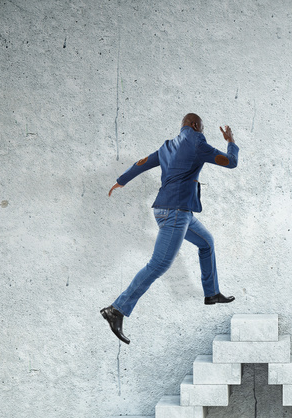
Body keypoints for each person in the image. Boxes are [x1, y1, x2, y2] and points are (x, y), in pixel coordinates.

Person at [101, 113, 239, 344]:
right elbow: (231, 162)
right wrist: (230, 141)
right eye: (201, 127)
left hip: (173, 211)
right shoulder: (198, 142)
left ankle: (212, 293)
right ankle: (116, 309)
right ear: (195, 125)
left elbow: (142, 163)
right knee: (159, 264)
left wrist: (122, 180)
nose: (202, 130)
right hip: (176, 213)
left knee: (206, 243)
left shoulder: (167, 146)